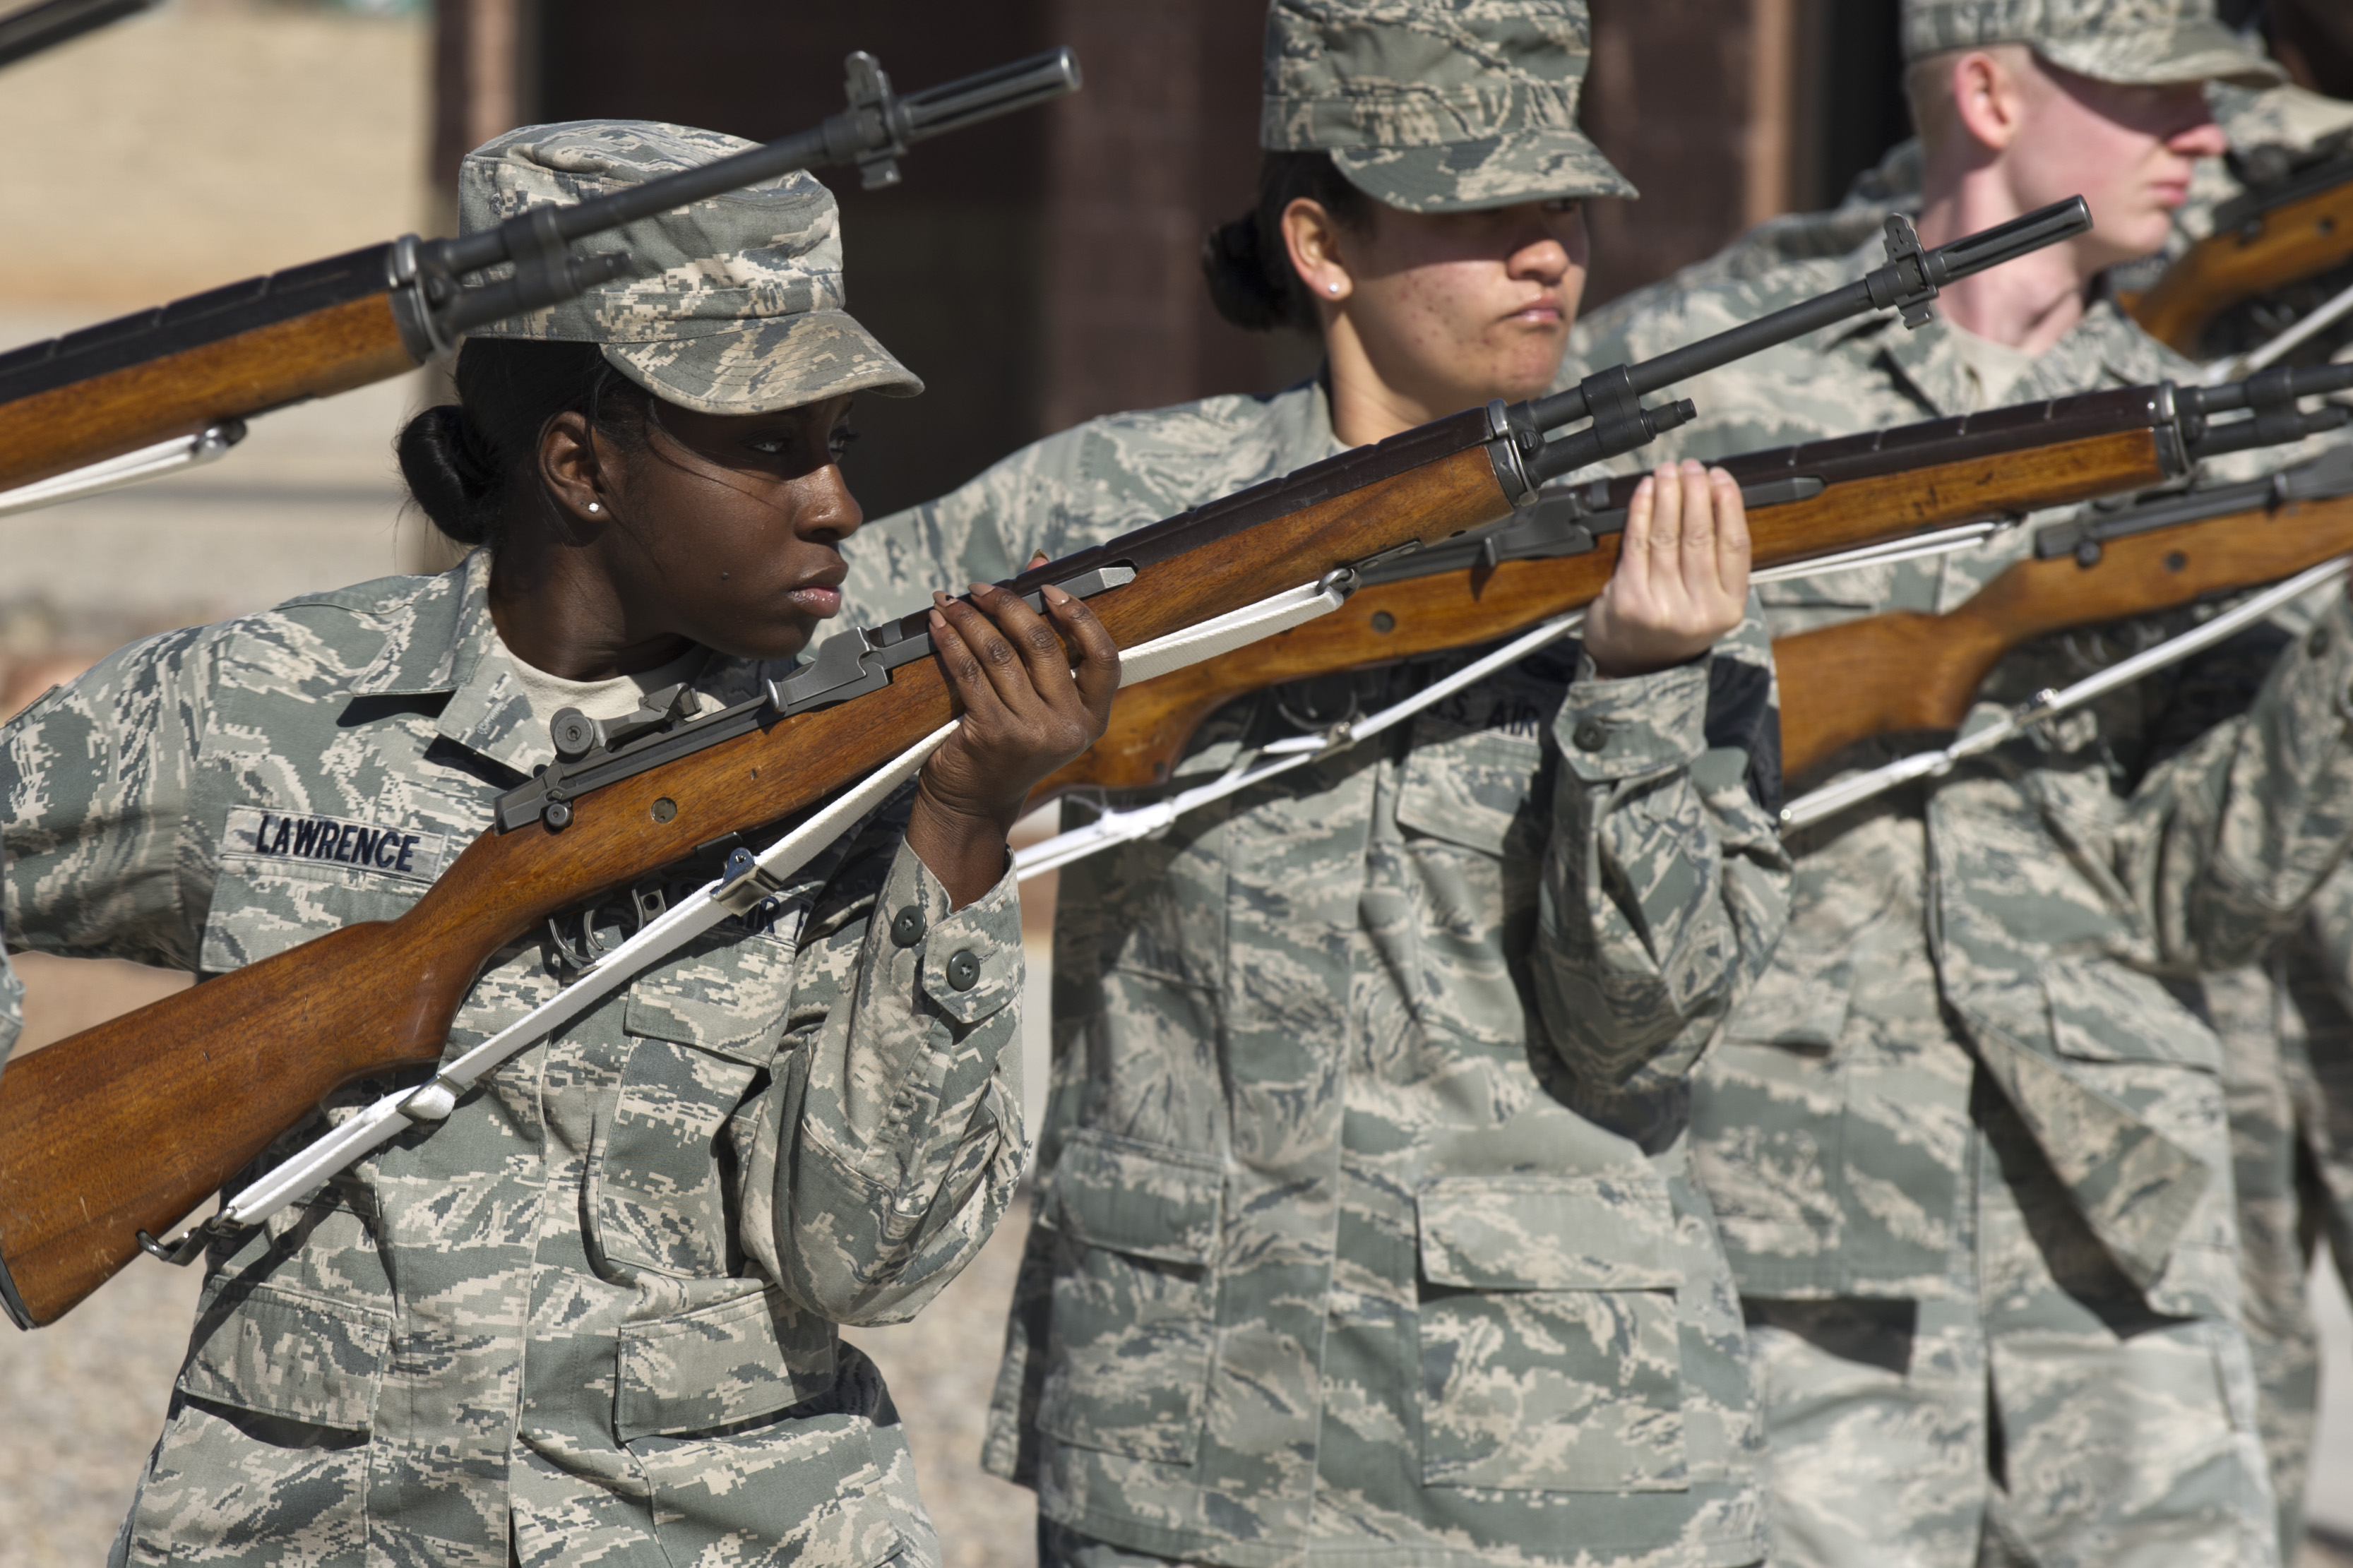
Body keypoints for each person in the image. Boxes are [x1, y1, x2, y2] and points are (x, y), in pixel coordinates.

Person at [0, 121, 1118, 1567]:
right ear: (581, 465)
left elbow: (878, 1259)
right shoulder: (262, 706)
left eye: (836, 445)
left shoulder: (861, 773)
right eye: (768, 447)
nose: (835, 500)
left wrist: (963, 828)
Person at [838, 4, 1790, 1565]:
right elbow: (795, 675)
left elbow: (1645, 1029)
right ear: (1320, 243)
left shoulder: (1664, 551)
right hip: (1174, 1434)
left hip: (1548, 1457)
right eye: (1486, 212)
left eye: (1563, 211)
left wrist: (1632, 693)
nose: (1548, 254)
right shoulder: (1126, 507)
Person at [1568, 1, 2353, 1563]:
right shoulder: (1717, 392)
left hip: (2113, 1209)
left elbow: (2202, 897)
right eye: (2150, 97)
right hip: (1807, 1218)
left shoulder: (2200, 452)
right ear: (1988, 94)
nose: (2202, 132)